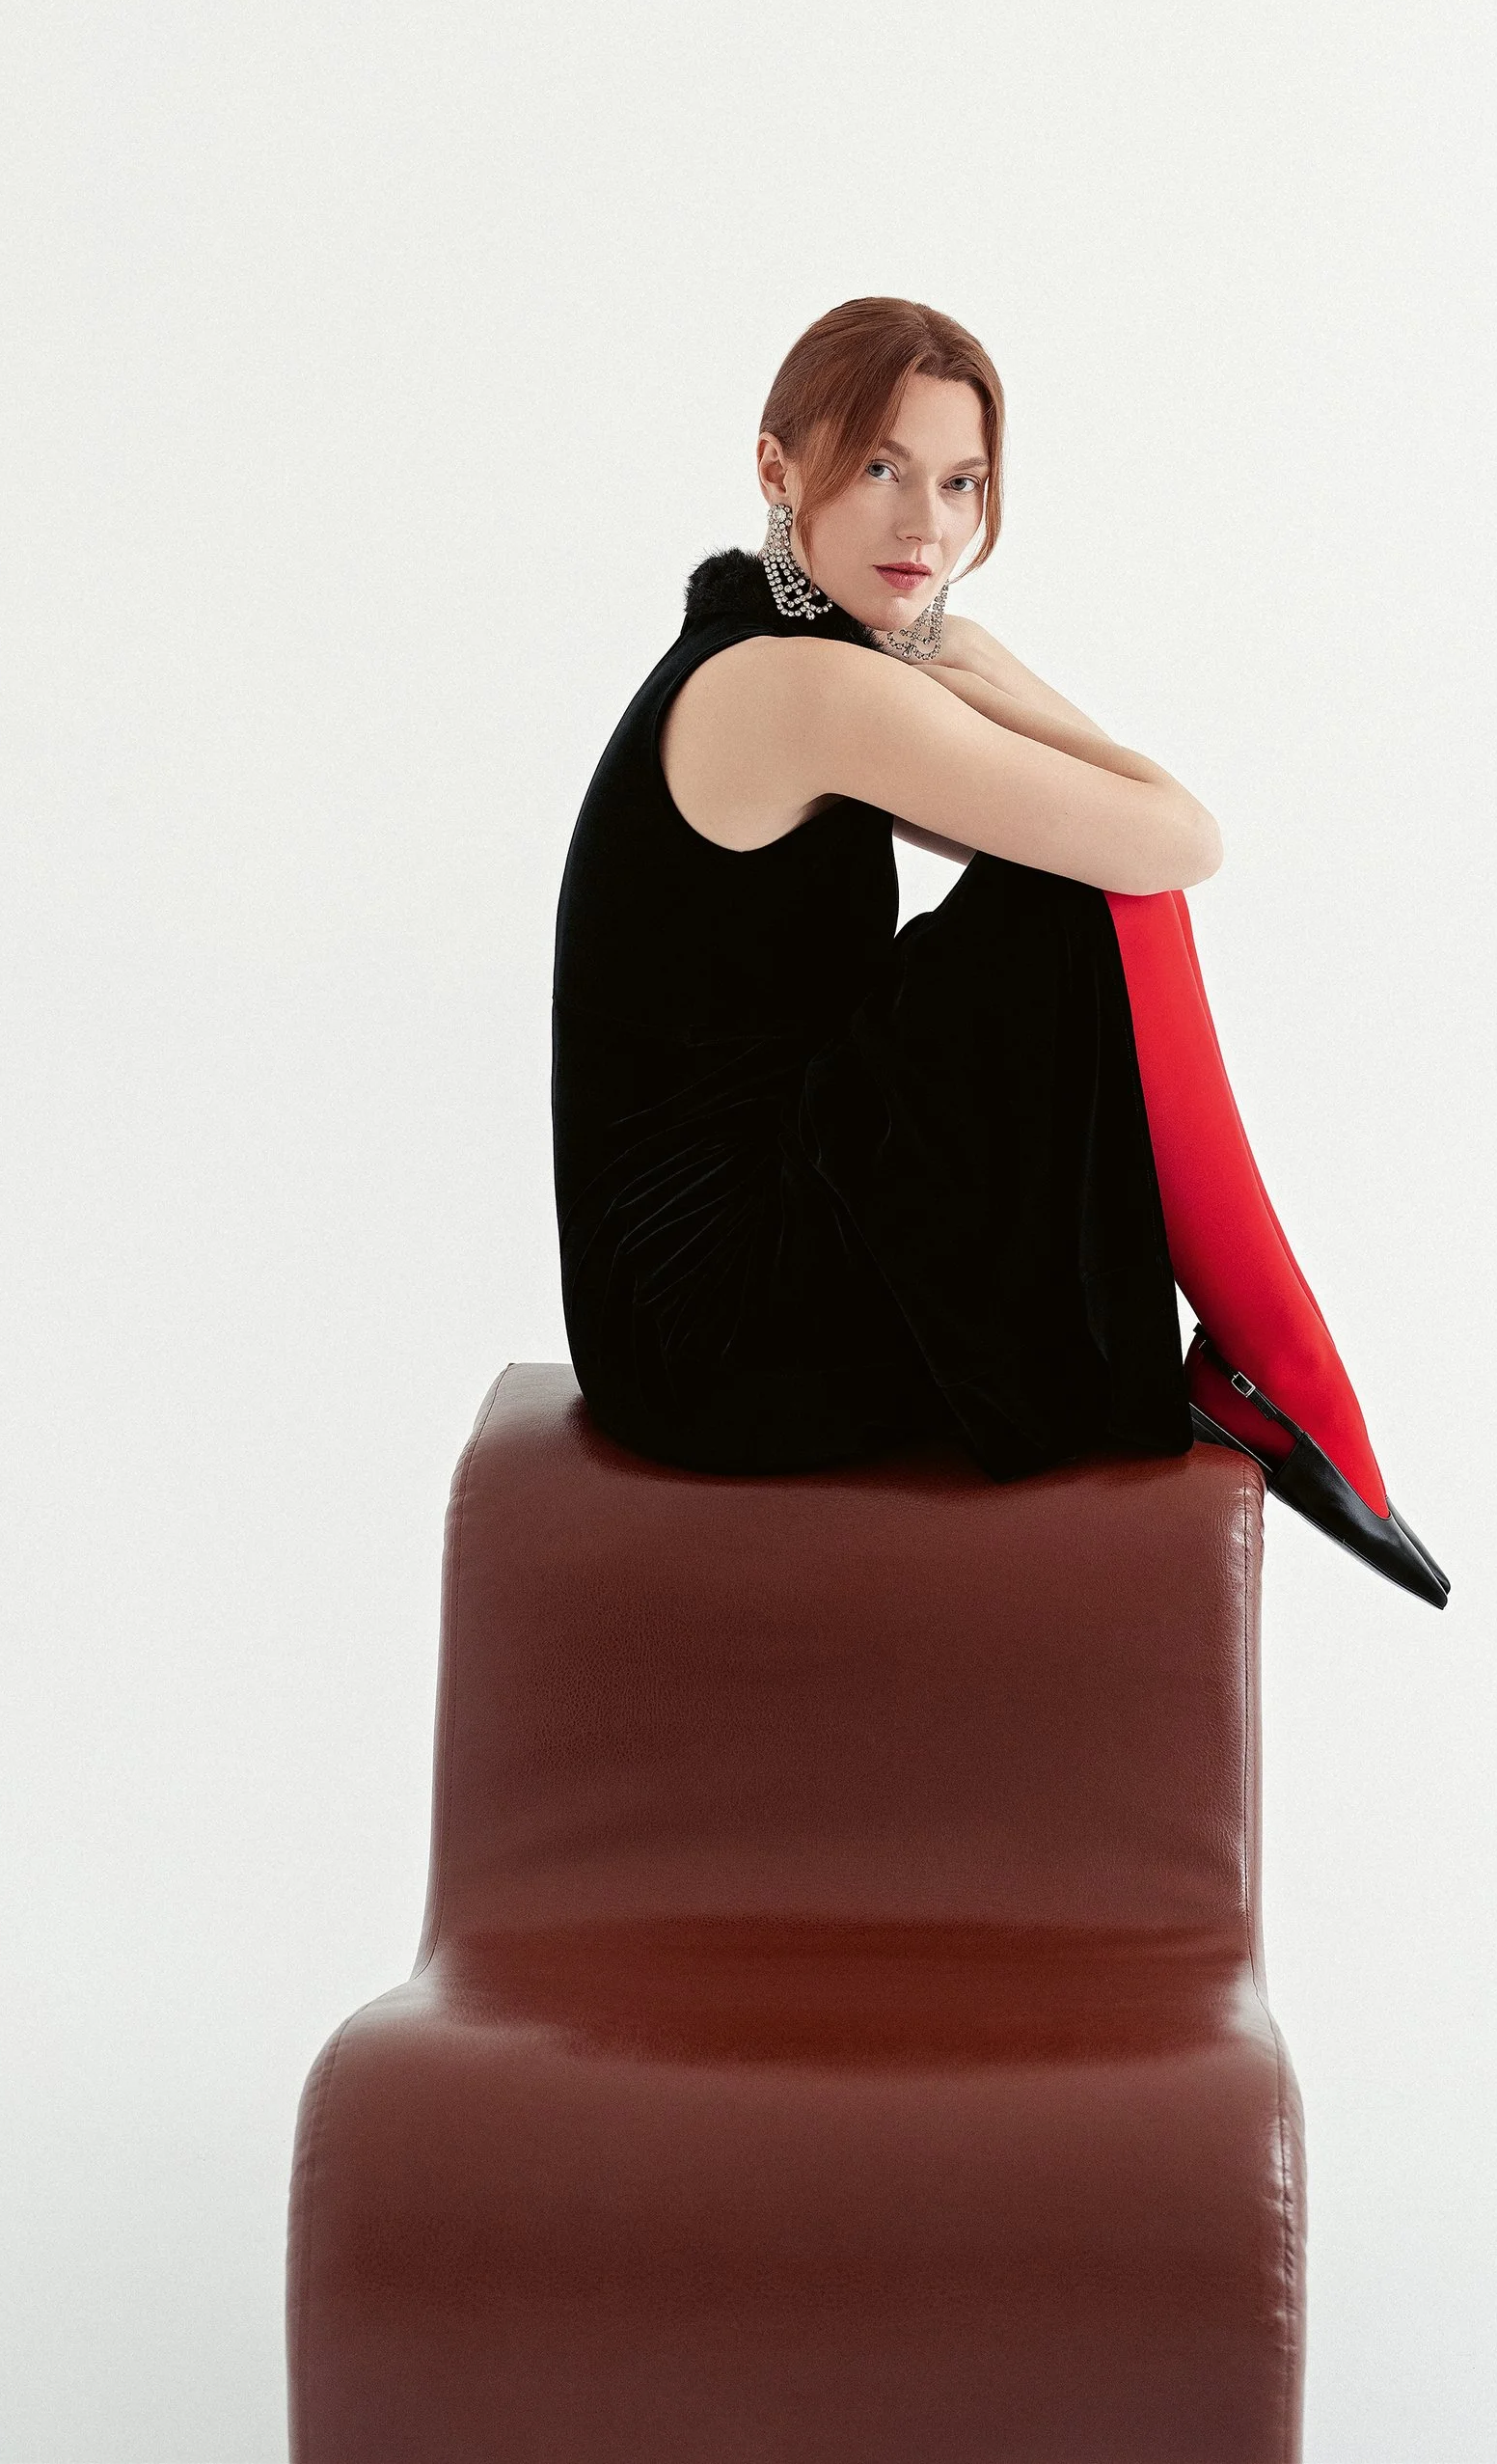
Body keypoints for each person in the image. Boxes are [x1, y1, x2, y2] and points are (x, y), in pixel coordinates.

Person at [550, 295, 1448, 1605]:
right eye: (880, 469)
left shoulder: (786, 658)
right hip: (719, 1340)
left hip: (700, 1305)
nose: (927, 527)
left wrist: (981, 680)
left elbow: (1129, 849)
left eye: (961, 483)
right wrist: (1005, 681)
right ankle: (1276, 1367)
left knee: (1088, 889)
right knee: (1100, 896)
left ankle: (1271, 1372)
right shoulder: (805, 690)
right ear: (776, 469)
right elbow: (1176, 839)